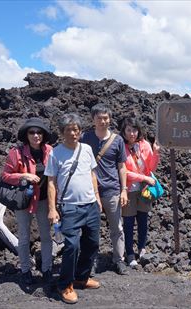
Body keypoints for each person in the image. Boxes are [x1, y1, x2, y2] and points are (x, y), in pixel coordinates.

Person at [46, 113, 102, 304]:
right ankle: (65, 285)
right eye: (69, 129)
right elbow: (51, 183)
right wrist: (52, 209)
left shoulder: (86, 149)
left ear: (80, 131)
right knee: (71, 246)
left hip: (91, 205)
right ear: (62, 132)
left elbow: (92, 174)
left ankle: (81, 277)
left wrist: (97, 197)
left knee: (92, 243)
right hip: (69, 207)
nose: (73, 133)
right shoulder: (55, 153)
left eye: (76, 129)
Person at [1, 118, 53, 285]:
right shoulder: (16, 153)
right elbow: (5, 176)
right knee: (24, 237)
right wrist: (23, 175)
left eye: (39, 132)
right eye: (32, 132)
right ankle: (25, 270)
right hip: (24, 201)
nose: (36, 135)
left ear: (44, 135)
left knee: (46, 236)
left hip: (44, 200)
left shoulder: (50, 151)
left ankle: (47, 269)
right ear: (26, 134)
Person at [81, 103, 129, 275]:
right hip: (89, 192)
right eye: (99, 118)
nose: (103, 121)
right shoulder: (85, 138)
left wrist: (124, 189)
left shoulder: (117, 140)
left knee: (117, 227)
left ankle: (119, 260)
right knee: (91, 230)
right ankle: (91, 261)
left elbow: (121, 167)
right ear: (93, 119)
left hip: (112, 190)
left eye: (106, 118)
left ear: (110, 119)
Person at [120, 117, 160, 267]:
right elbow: (124, 172)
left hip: (144, 189)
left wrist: (155, 153)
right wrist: (143, 177)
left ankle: (142, 249)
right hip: (129, 190)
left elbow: (151, 167)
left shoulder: (144, 145)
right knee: (128, 222)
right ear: (123, 131)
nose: (132, 133)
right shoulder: (121, 146)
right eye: (129, 130)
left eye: (134, 130)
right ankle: (130, 253)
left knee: (143, 220)